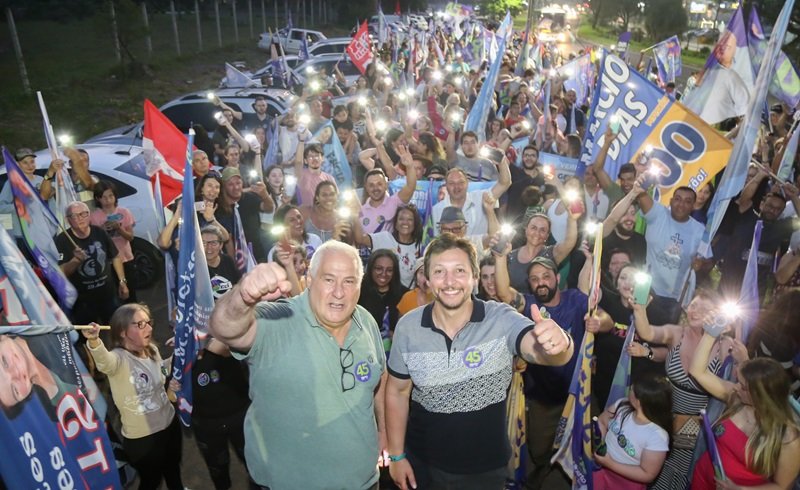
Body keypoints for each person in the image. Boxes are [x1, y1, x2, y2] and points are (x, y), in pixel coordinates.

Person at [385, 234, 575, 490]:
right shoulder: (408, 326)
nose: (450, 281)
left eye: (460, 271)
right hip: (423, 465)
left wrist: (561, 342)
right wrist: (397, 455)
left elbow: (541, 350)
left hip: (485, 470)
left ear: (474, 278)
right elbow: (397, 391)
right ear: (427, 279)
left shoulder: (500, 318)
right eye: (439, 271)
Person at [208, 241, 387, 489]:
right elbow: (224, 327)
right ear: (310, 279)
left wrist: (384, 433)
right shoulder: (279, 319)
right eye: (328, 279)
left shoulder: (365, 321)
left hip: (364, 482)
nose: (339, 292)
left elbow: (380, 380)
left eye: (349, 281)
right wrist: (243, 296)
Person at [494, 250, 611, 490]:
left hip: (577, 393)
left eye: (545, 276)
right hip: (541, 398)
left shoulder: (576, 299)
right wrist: (499, 258)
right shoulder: (529, 304)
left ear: (557, 278)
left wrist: (600, 323)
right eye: (535, 279)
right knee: (539, 451)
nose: (540, 282)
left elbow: (604, 317)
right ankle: (542, 479)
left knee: (588, 444)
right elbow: (505, 293)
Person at [629, 288, 737, 490]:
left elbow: (732, 390)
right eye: (694, 305)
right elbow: (648, 332)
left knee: (684, 474)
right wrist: (639, 309)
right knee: (655, 466)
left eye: (705, 309)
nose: (696, 312)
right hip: (665, 417)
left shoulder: (725, 346)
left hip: (698, 427)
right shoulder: (677, 333)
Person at [81, 304, 184, 490]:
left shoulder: (151, 349)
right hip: (144, 441)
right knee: (151, 482)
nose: (150, 328)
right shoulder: (118, 360)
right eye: (140, 324)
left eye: (148, 322)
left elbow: (161, 370)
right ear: (122, 332)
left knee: (173, 470)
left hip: (170, 424)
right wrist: (95, 341)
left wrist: (180, 352)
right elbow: (105, 362)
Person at [689, 321, 800, 489]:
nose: (736, 387)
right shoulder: (737, 400)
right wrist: (710, 334)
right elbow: (697, 371)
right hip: (701, 479)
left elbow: (782, 486)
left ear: (760, 395)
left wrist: (740, 489)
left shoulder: (788, 436)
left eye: (743, 386)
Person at [632, 177, 705, 325]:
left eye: (687, 201)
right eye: (677, 199)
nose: (681, 204)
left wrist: (700, 263)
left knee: (661, 338)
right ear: (671, 201)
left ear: (693, 206)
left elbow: (706, 260)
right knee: (633, 328)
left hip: (674, 297)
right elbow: (640, 192)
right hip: (644, 287)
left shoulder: (700, 231)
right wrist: (646, 176)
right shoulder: (658, 213)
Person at [593, 375, 672, 490]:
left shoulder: (657, 436)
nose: (629, 389)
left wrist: (610, 463)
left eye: (632, 389)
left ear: (639, 401)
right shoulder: (622, 405)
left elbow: (647, 474)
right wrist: (600, 444)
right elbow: (602, 422)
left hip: (626, 483)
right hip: (600, 471)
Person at [56, 201, 129, 325]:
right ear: (68, 220)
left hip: (108, 295)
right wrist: (76, 260)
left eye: (83, 214)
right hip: (82, 301)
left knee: (116, 328)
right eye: (74, 216)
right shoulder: (62, 240)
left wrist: (122, 281)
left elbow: (115, 257)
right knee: (89, 336)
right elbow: (61, 272)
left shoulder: (99, 232)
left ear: (89, 215)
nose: (80, 218)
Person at [352, 204, 423, 288]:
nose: (405, 222)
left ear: (415, 223)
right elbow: (360, 239)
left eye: (410, 219)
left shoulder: (420, 246)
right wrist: (354, 215)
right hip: (381, 296)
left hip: (406, 297)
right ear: (395, 223)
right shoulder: (384, 238)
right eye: (401, 219)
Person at [505, 212, 579, 292]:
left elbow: (569, 243)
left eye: (542, 230)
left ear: (547, 236)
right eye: (533, 228)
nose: (537, 233)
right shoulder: (510, 255)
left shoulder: (551, 254)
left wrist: (572, 219)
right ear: (526, 230)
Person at [214, 167, 274, 263]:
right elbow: (228, 239)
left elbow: (269, 208)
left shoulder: (249, 197)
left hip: (256, 253)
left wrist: (265, 194)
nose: (236, 187)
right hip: (234, 257)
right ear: (224, 186)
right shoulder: (219, 207)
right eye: (230, 184)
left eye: (238, 183)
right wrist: (234, 266)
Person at [90, 181, 137, 302]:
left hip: (126, 258)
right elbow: (93, 241)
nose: (108, 200)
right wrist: (102, 230)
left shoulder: (124, 212)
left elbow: (130, 237)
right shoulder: (94, 217)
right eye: (104, 197)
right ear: (97, 199)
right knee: (112, 296)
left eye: (111, 196)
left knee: (130, 293)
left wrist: (119, 229)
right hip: (107, 262)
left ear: (115, 196)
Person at [432, 165, 511, 237]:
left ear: (467, 183)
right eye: (452, 183)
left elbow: (505, 183)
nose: (457, 187)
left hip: (481, 250)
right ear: (446, 185)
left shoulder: (481, 197)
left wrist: (501, 160)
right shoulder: (436, 209)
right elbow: (437, 239)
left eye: (461, 182)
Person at [358, 249, 408, 353]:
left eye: (389, 270)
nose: (384, 274)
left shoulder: (404, 294)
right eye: (378, 269)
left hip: (394, 354)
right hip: (362, 350)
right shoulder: (358, 291)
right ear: (371, 268)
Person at [202, 224, 241, 300]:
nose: (208, 248)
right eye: (204, 243)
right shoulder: (195, 267)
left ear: (221, 245)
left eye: (213, 243)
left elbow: (238, 285)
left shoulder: (227, 260)